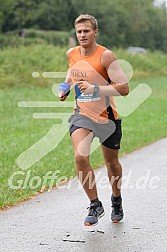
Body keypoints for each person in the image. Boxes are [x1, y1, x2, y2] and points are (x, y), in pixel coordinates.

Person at [58, 14, 129, 226]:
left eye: (86, 31)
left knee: (112, 163)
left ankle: (116, 200)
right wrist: (65, 87)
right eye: (79, 31)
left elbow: (123, 88)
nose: (82, 35)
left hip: (107, 118)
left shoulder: (106, 56)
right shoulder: (71, 53)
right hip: (82, 114)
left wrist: (95, 88)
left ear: (95, 32)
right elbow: (73, 72)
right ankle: (95, 204)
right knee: (80, 157)